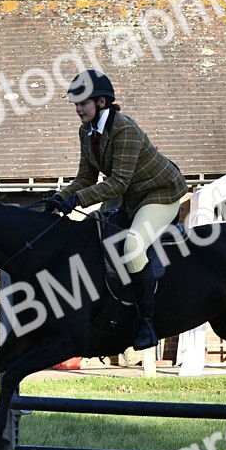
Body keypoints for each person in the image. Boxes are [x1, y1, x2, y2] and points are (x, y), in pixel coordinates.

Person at [48, 69, 188, 351]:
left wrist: (76, 202)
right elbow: (85, 178)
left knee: (133, 247)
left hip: (160, 194)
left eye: (82, 103)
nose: (77, 110)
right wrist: (56, 199)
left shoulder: (125, 128)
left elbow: (118, 182)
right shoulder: (86, 131)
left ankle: (146, 322)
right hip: (130, 198)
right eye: (75, 104)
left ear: (101, 102)